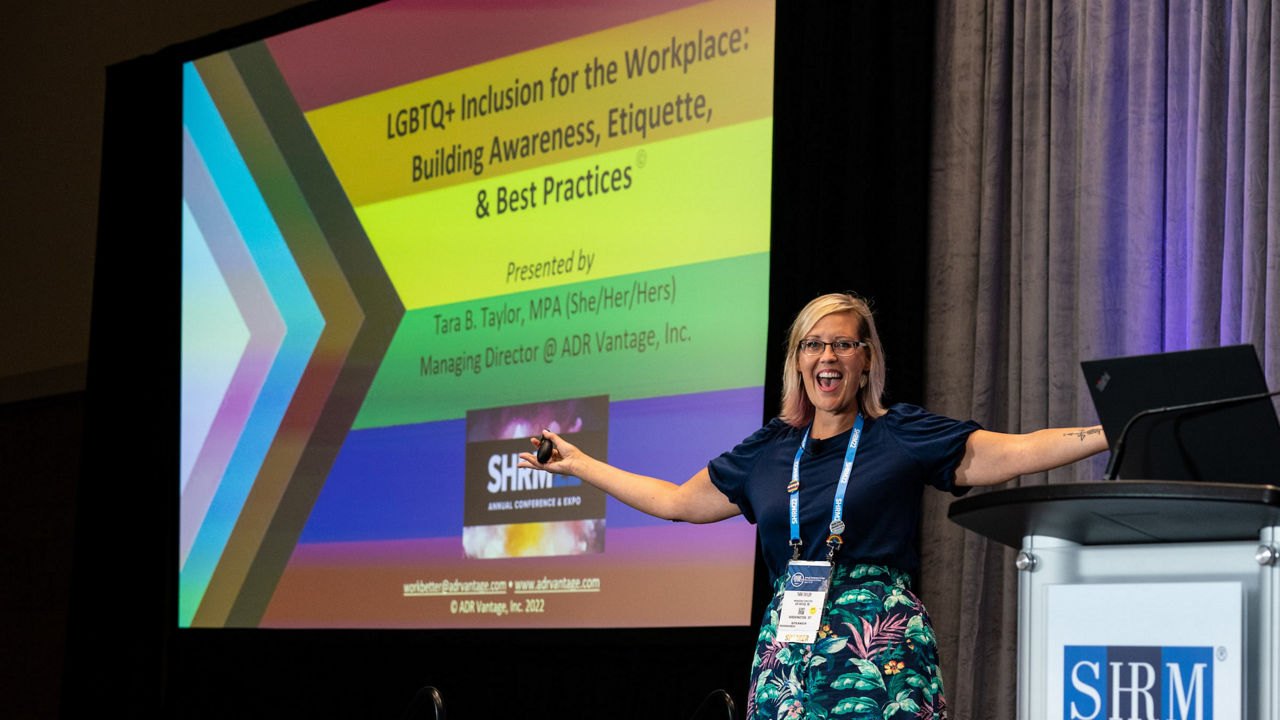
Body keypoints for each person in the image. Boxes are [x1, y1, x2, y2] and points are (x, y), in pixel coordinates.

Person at [519, 292, 1107, 719]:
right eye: (814, 344)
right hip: (787, 651)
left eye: (843, 343)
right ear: (798, 361)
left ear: (866, 358)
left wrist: (1111, 431)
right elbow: (675, 502)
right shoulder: (769, 450)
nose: (828, 355)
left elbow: (1011, 450)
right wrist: (579, 466)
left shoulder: (899, 432)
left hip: (880, 645)